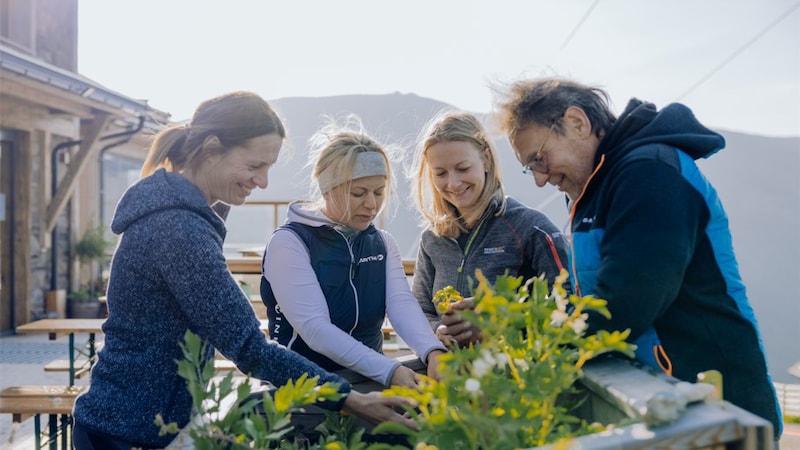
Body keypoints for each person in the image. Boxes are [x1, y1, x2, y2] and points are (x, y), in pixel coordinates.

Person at [71, 92, 416, 450]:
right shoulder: (177, 229)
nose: (263, 181)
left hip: (137, 426)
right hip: (127, 434)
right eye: (254, 167)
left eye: (268, 168)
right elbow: (249, 346)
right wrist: (351, 400)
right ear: (211, 148)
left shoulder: (188, 214)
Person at [494, 77, 783, 441]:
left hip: (718, 404)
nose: (538, 179)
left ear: (577, 123)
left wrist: (542, 352)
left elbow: (628, 299)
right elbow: (588, 297)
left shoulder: (650, 173)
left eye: (538, 158)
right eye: (529, 167)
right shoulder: (593, 189)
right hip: (663, 401)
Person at [260, 118, 447, 390]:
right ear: (327, 188)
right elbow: (315, 330)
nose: (371, 204)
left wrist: (432, 351)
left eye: (379, 192)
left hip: (365, 383)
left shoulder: (382, 243)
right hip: (301, 391)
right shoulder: (289, 243)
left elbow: (400, 304)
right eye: (358, 193)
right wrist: (389, 371)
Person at [410, 111, 569, 347]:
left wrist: (501, 318)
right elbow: (420, 309)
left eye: (463, 168)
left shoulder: (531, 228)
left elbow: (569, 301)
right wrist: (436, 332)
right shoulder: (432, 238)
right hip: (452, 378)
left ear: (485, 159)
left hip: (518, 376)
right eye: (440, 173)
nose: (453, 183)